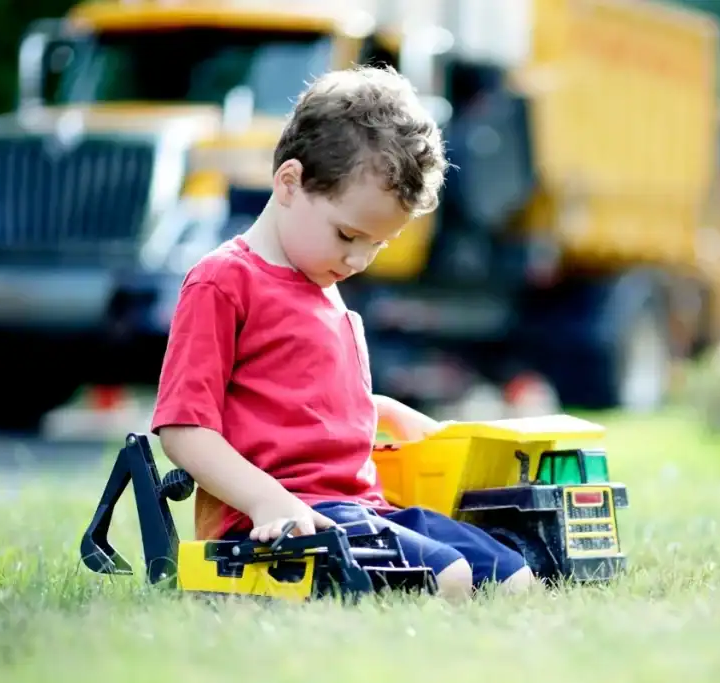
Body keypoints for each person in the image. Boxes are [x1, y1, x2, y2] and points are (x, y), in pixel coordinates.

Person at [150, 65, 533, 601]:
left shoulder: (322, 279)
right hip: (279, 522)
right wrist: (266, 501)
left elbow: (309, 400)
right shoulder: (223, 281)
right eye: (349, 235)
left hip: (361, 508)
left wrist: (401, 418)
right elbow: (183, 428)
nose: (359, 259)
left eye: (377, 244)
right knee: (447, 579)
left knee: (513, 576)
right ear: (289, 182)